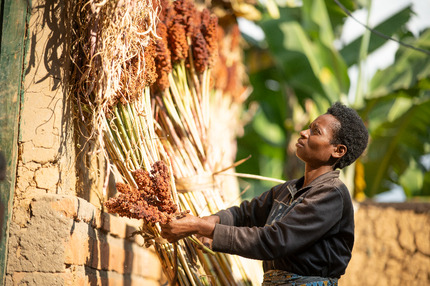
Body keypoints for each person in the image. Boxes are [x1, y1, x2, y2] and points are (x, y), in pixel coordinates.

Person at [160, 102, 369, 285]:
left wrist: (201, 227)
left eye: (316, 131)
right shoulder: (288, 189)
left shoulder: (331, 196)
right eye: (308, 127)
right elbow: (245, 214)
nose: (304, 133)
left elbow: (275, 241)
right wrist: (208, 220)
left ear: (338, 151)